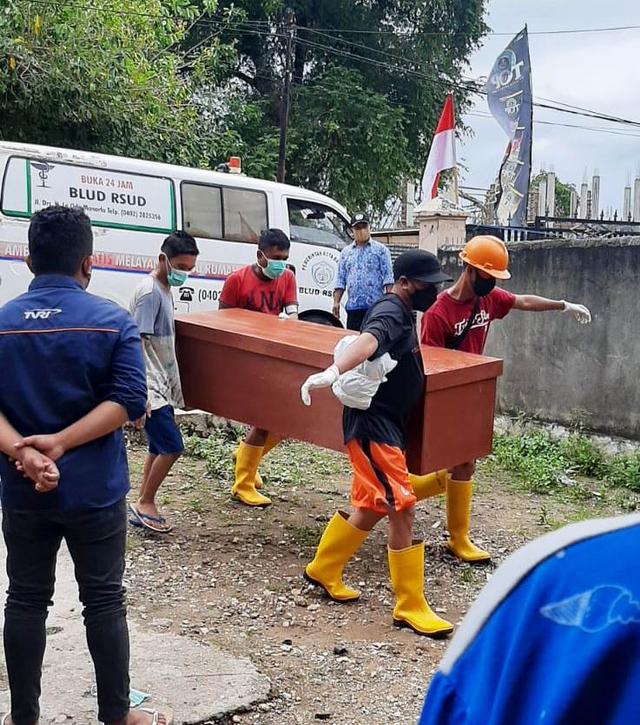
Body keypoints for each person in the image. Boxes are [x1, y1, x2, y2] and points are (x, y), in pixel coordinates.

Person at [0, 206, 171, 725]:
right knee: (103, 600)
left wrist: (24, 452)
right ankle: (117, 718)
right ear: (88, 263)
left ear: (30, 260)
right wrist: (60, 443)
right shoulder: (111, 320)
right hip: (94, 491)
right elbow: (127, 399)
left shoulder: (3, 323)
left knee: (26, 599)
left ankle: (22, 718)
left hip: (22, 490)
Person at [300, 249, 455, 637]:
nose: (433, 291)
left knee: (373, 503)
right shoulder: (391, 311)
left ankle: (324, 568)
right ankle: (409, 605)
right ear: (404, 283)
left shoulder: (406, 310)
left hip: (385, 423)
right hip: (373, 426)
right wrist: (333, 370)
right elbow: (368, 341)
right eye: (427, 285)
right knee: (400, 506)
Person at [410, 235, 592, 563]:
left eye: (495, 278)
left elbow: (522, 301)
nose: (492, 282)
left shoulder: (489, 299)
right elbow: (430, 364)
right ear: (470, 269)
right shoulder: (439, 313)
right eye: (487, 275)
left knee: (466, 460)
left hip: (473, 391)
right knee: (445, 461)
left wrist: (562, 305)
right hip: (446, 393)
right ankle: (393, 495)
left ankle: (458, 537)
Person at [417, 514, 640, 725]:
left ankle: (458, 538)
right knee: (401, 504)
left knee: (459, 472)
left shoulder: (555, 567)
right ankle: (409, 599)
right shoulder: (554, 571)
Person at [219, 228, 298, 507]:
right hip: (246, 359)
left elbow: (292, 313)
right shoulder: (236, 281)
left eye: (285, 257)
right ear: (260, 255)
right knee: (265, 423)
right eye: (276, 257)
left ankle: (245, 458)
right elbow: (223, 323)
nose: (281, 263)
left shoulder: (287, 277)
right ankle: (242, 485)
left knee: (285, 423)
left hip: (273, 356)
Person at [129, 231, 199, 533]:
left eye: (189, 268)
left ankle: (143, 501)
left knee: (158, 446)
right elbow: (136, 342)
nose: (184, 273)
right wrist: (139, 391)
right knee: (171, 446)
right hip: (150, 386)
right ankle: (145, 501)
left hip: (160, 384)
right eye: (180, 266)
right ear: (163, 259)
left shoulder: (164, 288)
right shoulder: (149, 294)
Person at [333, 211, 394, 330]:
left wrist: (389, 303)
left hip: (374, 307)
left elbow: (388, 278)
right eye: (358, 228)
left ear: (369, 227)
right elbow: (341, 279)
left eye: (364, 226)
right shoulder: (346, 253)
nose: (361, 230)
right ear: (352, 231)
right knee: (353, 340)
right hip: (353, 308)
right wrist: (336, 302)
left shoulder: (380, 250)